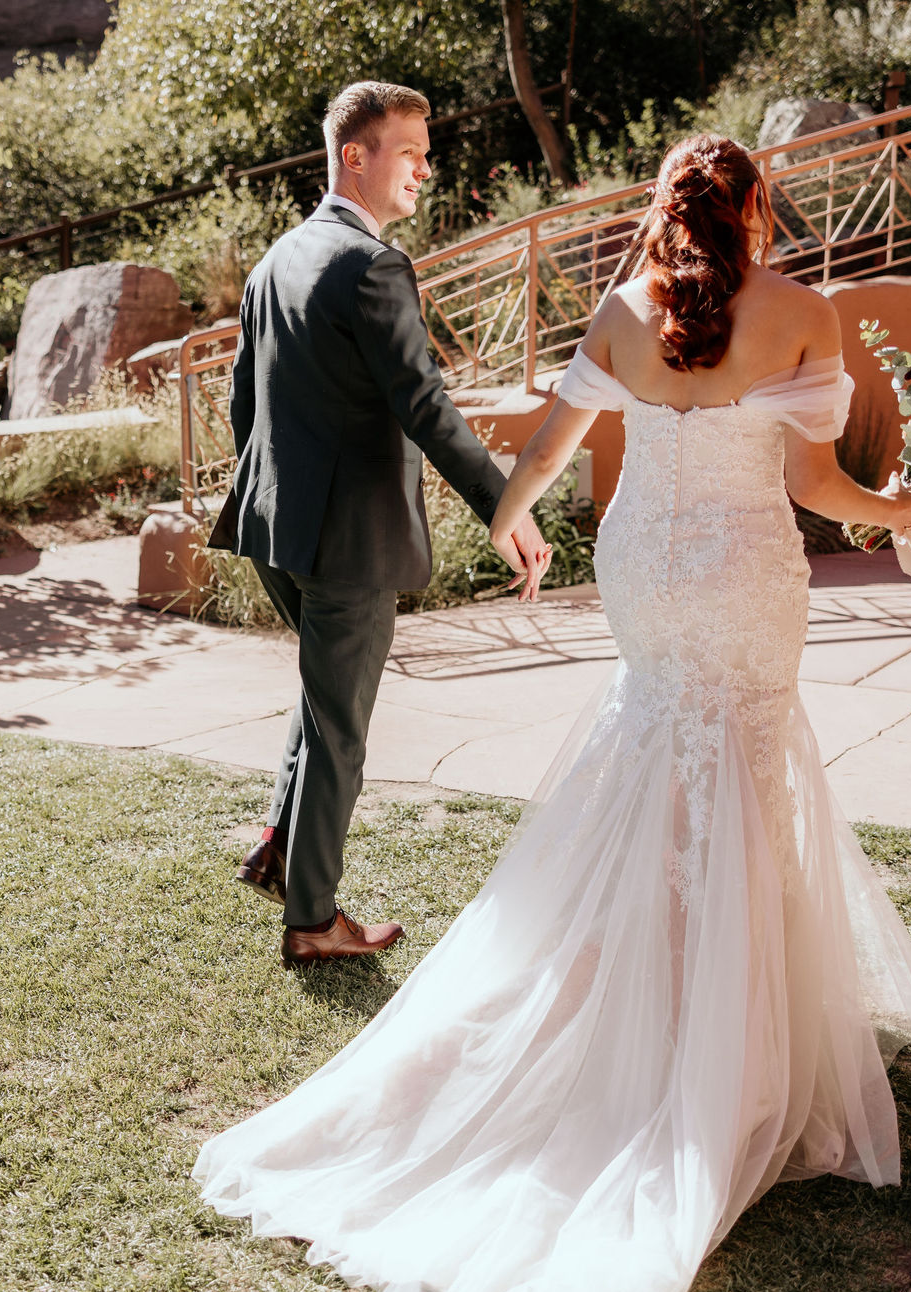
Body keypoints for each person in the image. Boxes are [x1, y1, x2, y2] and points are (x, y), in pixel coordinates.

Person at [194, 132, 911, 1292]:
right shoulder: (803, 311)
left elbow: (546, 451)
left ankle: (641, 988)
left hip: (645, 572)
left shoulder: (620, 309)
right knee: (742, 764)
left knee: (652, 752)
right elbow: (819, 488)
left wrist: (508, 522)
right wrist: (909, 508)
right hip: (741, 574)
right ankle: (717, 1029)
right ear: (754, 208)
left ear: (664, 208)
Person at [210, 81, 552, 964]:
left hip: (274, 527)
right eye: (410, 152)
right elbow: (426, 407)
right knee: (342, 727)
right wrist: (506, 510)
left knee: (324, 701)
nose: (424, 171)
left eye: (426, 154)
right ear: (354, 155)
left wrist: (271, 498)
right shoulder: (372, 265)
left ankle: (283, 847)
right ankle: (314, 921)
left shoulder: (275, 260)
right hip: (349, 542)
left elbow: (243, 408)